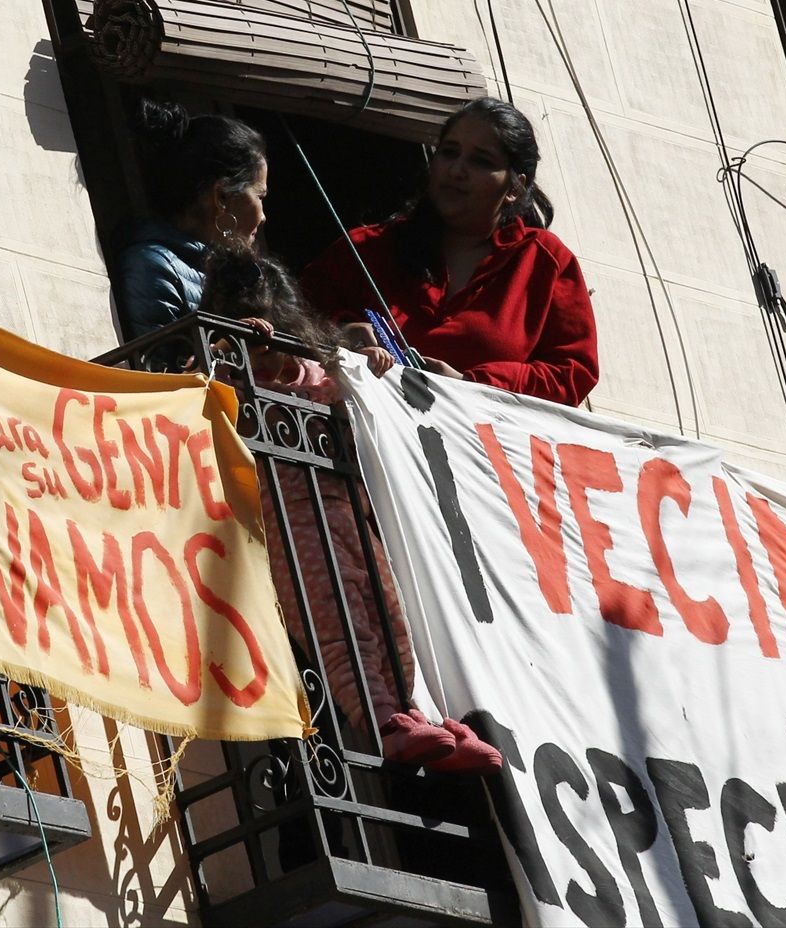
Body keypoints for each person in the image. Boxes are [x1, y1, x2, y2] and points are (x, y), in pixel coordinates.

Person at [200, 246, 498, 774]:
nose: (266, 356)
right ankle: (384, 723)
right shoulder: (225, 380)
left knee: (395, 617)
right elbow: (192, 386)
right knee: (336, 618)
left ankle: (418, 712)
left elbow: (356, 398)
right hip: (292, 525)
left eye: (273, 337)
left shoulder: (316, 371)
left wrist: (371, 367)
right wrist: (225, 347)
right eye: (253, 343)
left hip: (355, 517)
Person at [304, 97, 599, 407]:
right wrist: (342, 331)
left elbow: (572, 374)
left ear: (515, 188)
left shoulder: (545, 261)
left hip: (477, 449)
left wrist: (470, 385)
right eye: (449, 153)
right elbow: (293, 313)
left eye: (481, 161)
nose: (457, 170)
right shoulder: (366, 247)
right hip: (349, 440)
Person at [112, 100, 269, 339]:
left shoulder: (232, 272)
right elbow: (163, 372)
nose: (264, 216)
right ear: (222, 197)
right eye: (260, 196)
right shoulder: (154, 266)